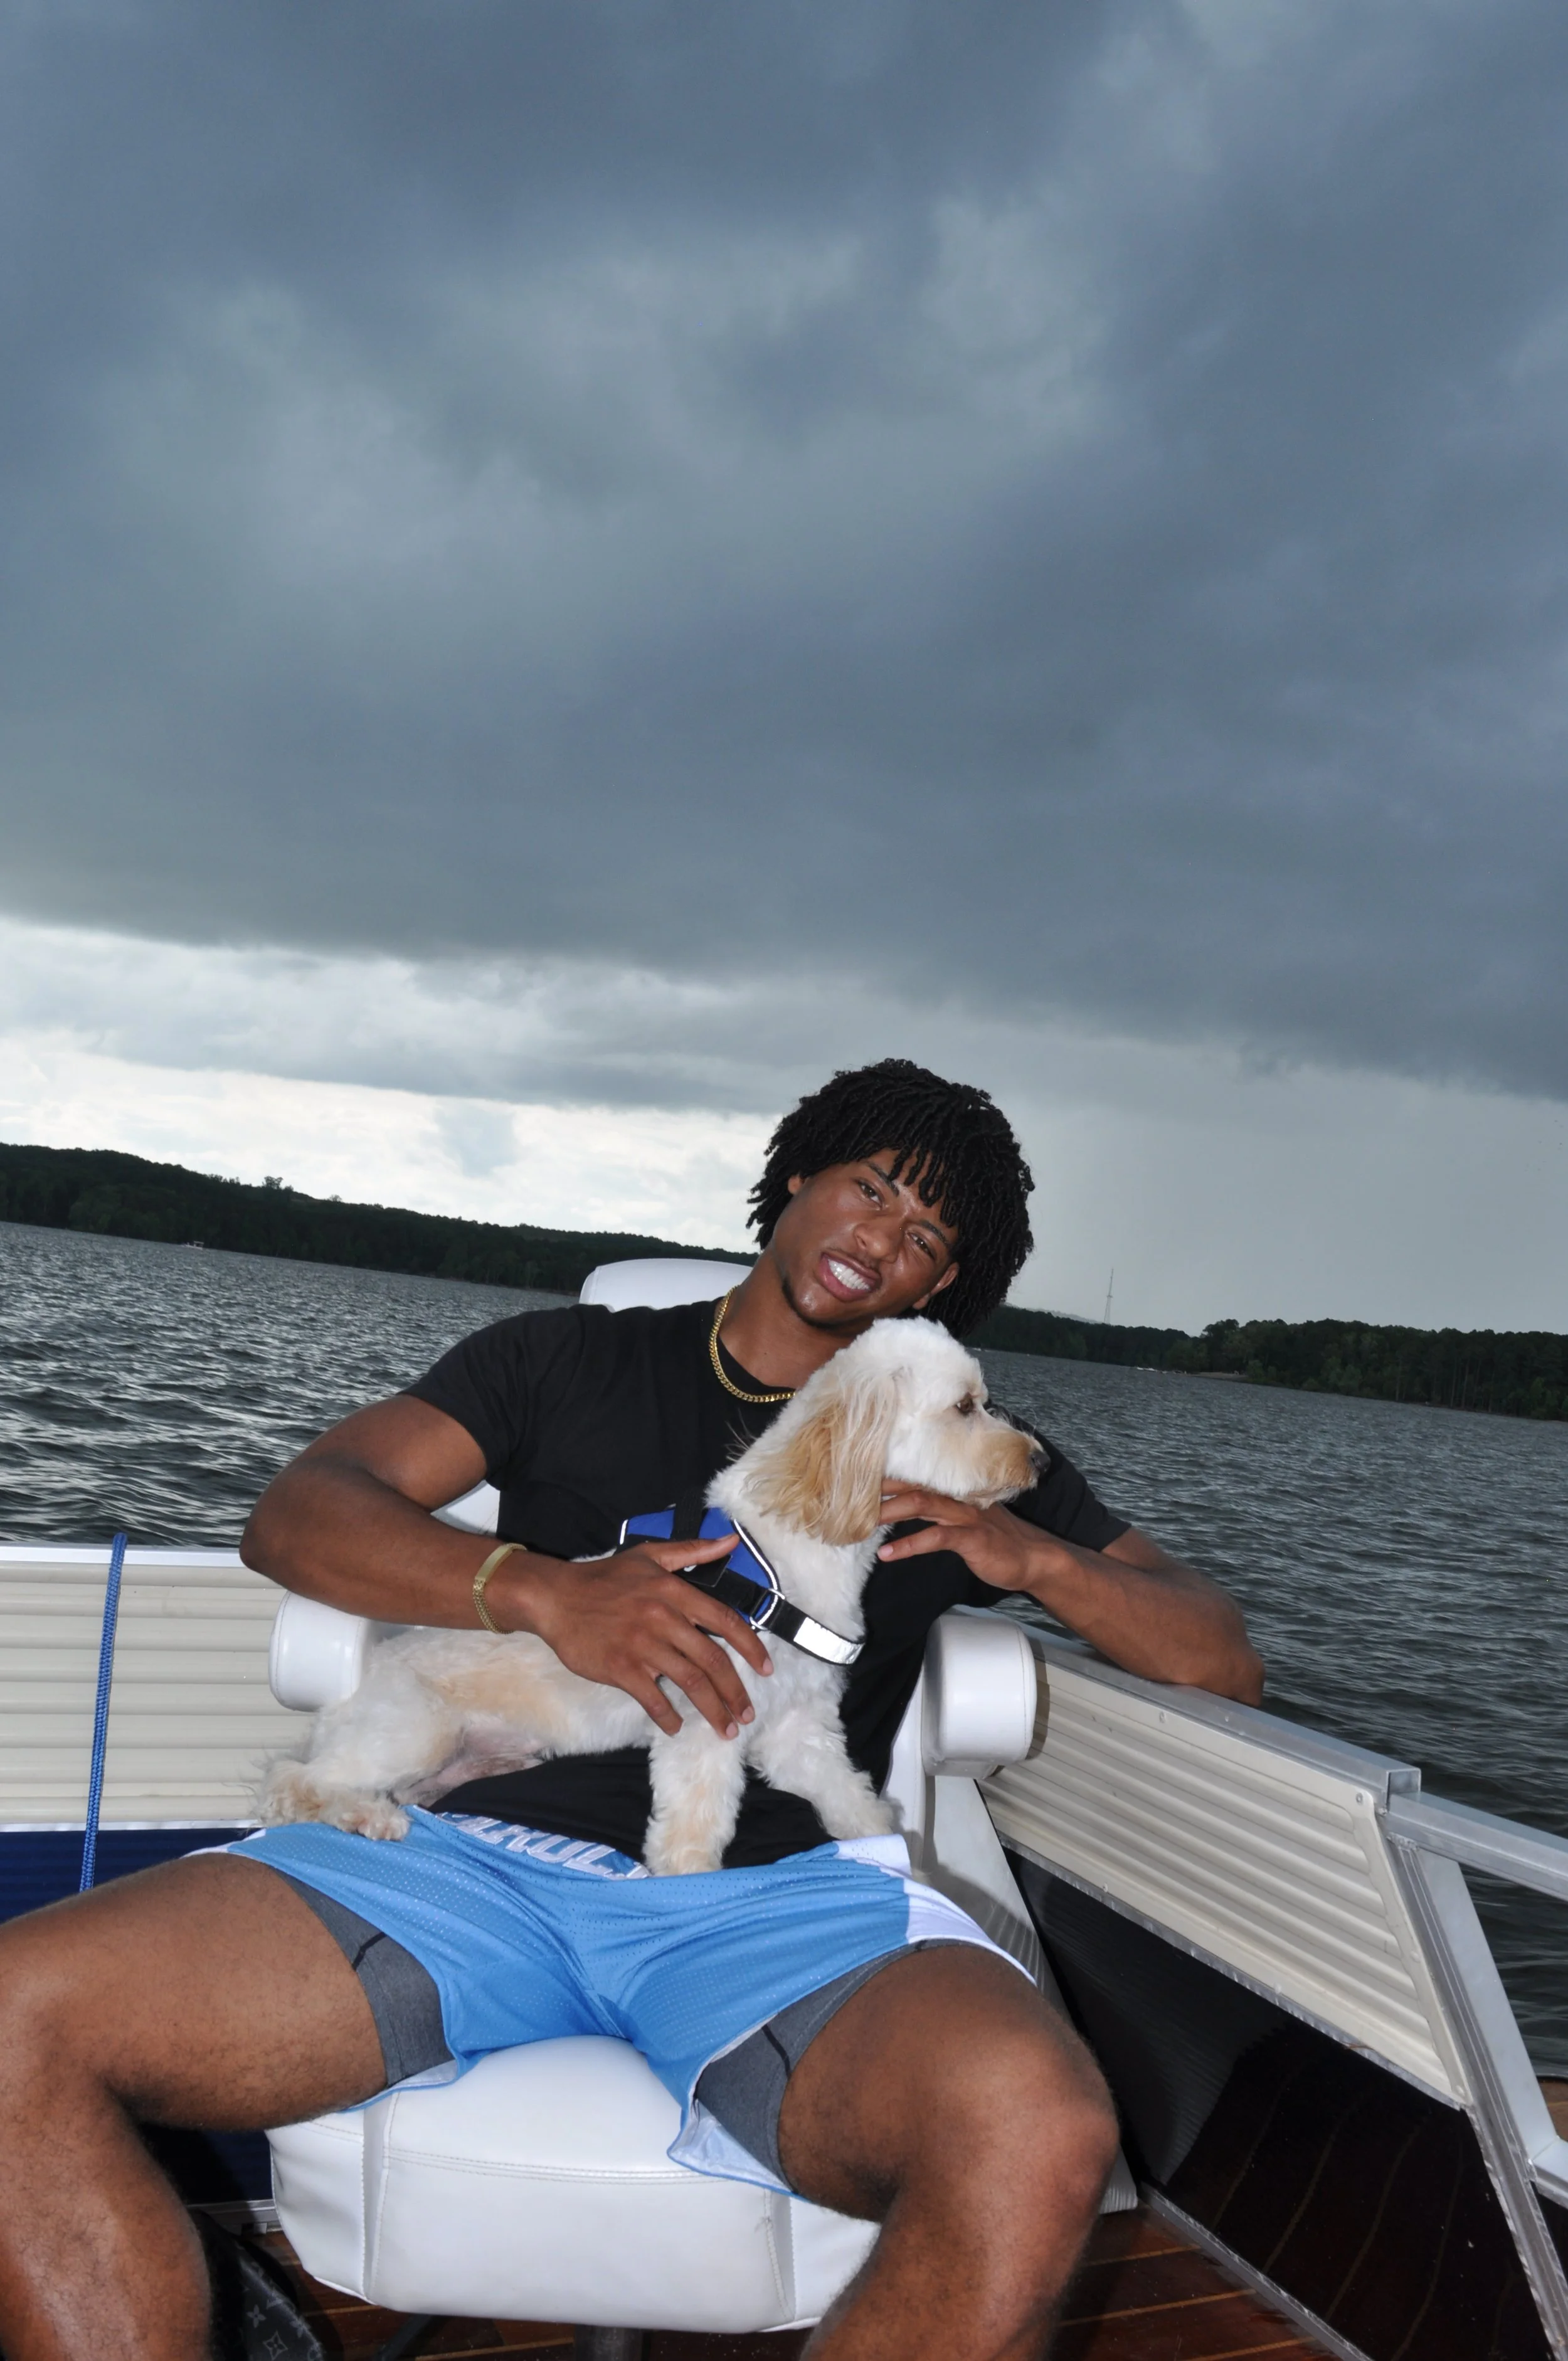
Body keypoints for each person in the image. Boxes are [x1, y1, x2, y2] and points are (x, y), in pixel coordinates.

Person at [0, 1059, 1263, 2361]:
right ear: (792, 1181)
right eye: (868, 1187)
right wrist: (538, 1590)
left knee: (1039, 2130)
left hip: (771, 1901)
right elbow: (301, 1510)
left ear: (937, 1285)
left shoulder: (963, 1444)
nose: (880, 1238)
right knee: (11, 2017)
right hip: (474, 1859)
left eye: (923, 1234)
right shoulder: (564, 1358)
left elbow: (1216, 1656)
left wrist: (1034, 1560)